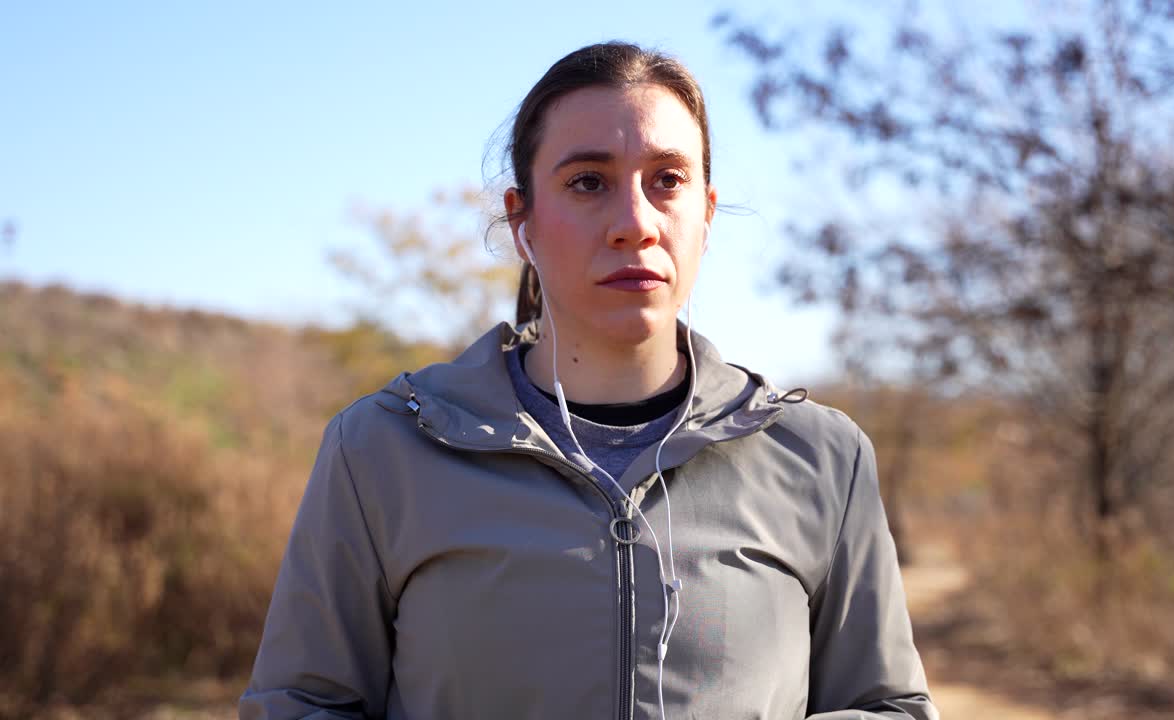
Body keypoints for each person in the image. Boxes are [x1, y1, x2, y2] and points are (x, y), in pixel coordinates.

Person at [239, 41, 938, 720]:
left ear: (707, 214)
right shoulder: (381, 450)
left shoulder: (822, 458)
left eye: (667, 180)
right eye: (588, 183)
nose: (635, 224)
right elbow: (299, 705)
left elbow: (888, 706)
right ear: (523, 222)